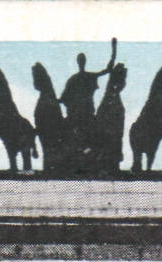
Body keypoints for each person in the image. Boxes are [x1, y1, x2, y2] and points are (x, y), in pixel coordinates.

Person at [59, 38, 117, 170]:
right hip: (82, 114)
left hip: (85, 114)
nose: (81, 63)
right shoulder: (79, 78)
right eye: (81, 61)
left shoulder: (77, 78)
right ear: (80, 62)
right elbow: (64, 97)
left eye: (82, 61)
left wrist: (114, 50)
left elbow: (108, 69)